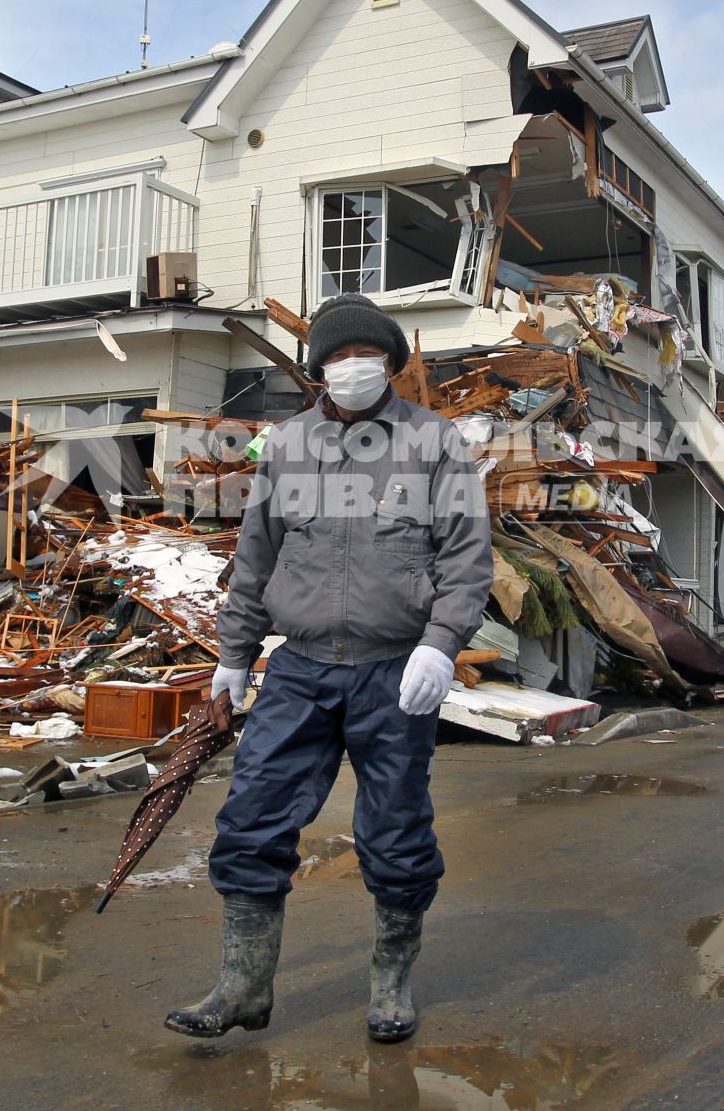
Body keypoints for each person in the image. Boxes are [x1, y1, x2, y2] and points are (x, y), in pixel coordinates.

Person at [166, 292, 493, 1044]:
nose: (352, 368)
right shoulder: (286, 447)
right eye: (338, 357)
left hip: (391, 673)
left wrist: (439, 644)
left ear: (389, 364)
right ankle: (242, 988)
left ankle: (390, 982)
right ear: (317, 370)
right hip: (300, 670)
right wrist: (234, 657)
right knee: (249, 824)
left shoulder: (434, 443)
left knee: (396, 834)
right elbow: (256, 558)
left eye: (365, 356)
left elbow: (467, 558)